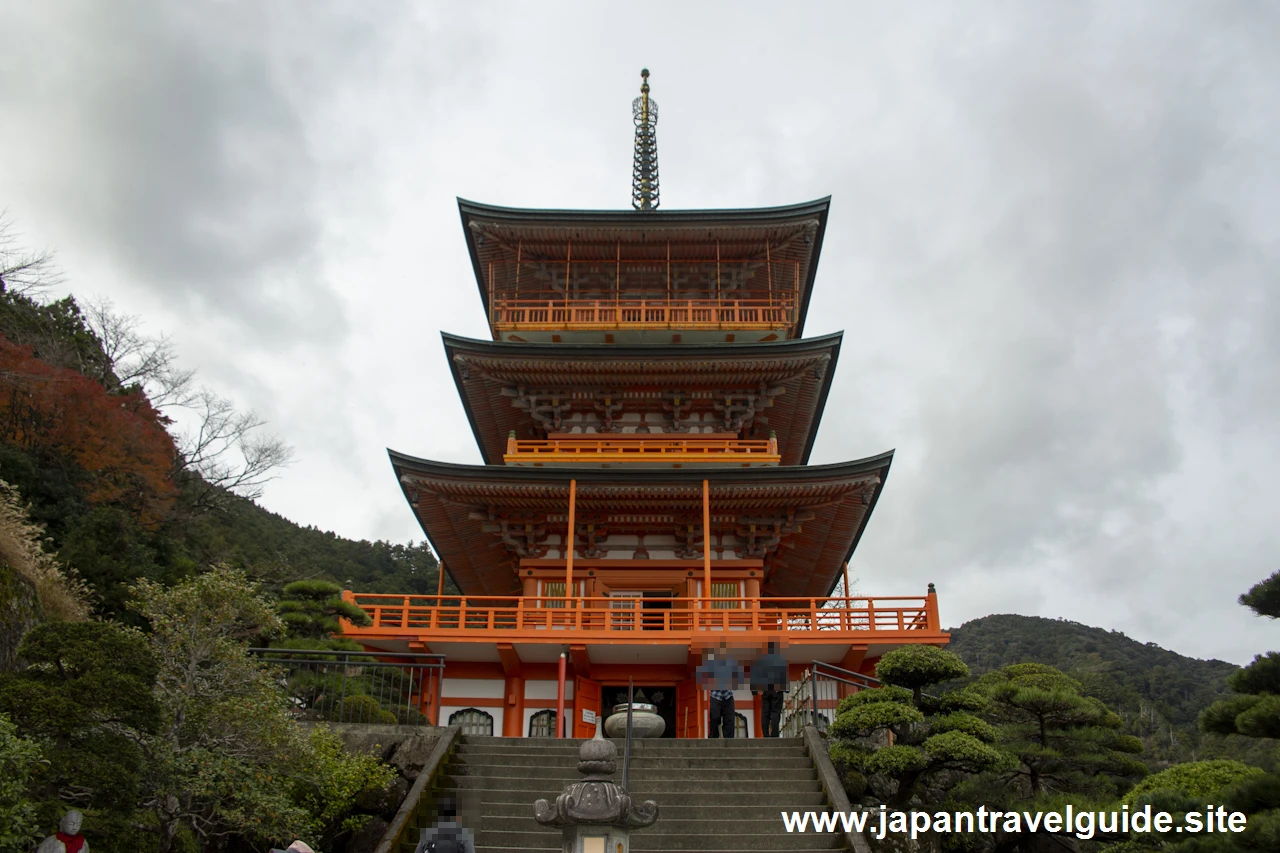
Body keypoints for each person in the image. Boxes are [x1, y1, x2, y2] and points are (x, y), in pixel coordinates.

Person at [695, 643, 744, 738]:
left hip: (728, 695)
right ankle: (713, 738)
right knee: (714, 717)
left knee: (729, 719)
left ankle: (729, 740)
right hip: (715, 695)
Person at [750, 641, 789, 738]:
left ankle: (766, 735)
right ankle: (774, 735)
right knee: (775, 713)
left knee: (765, 713)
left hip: (766, 689)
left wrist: (756, 689)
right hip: (777, 690)